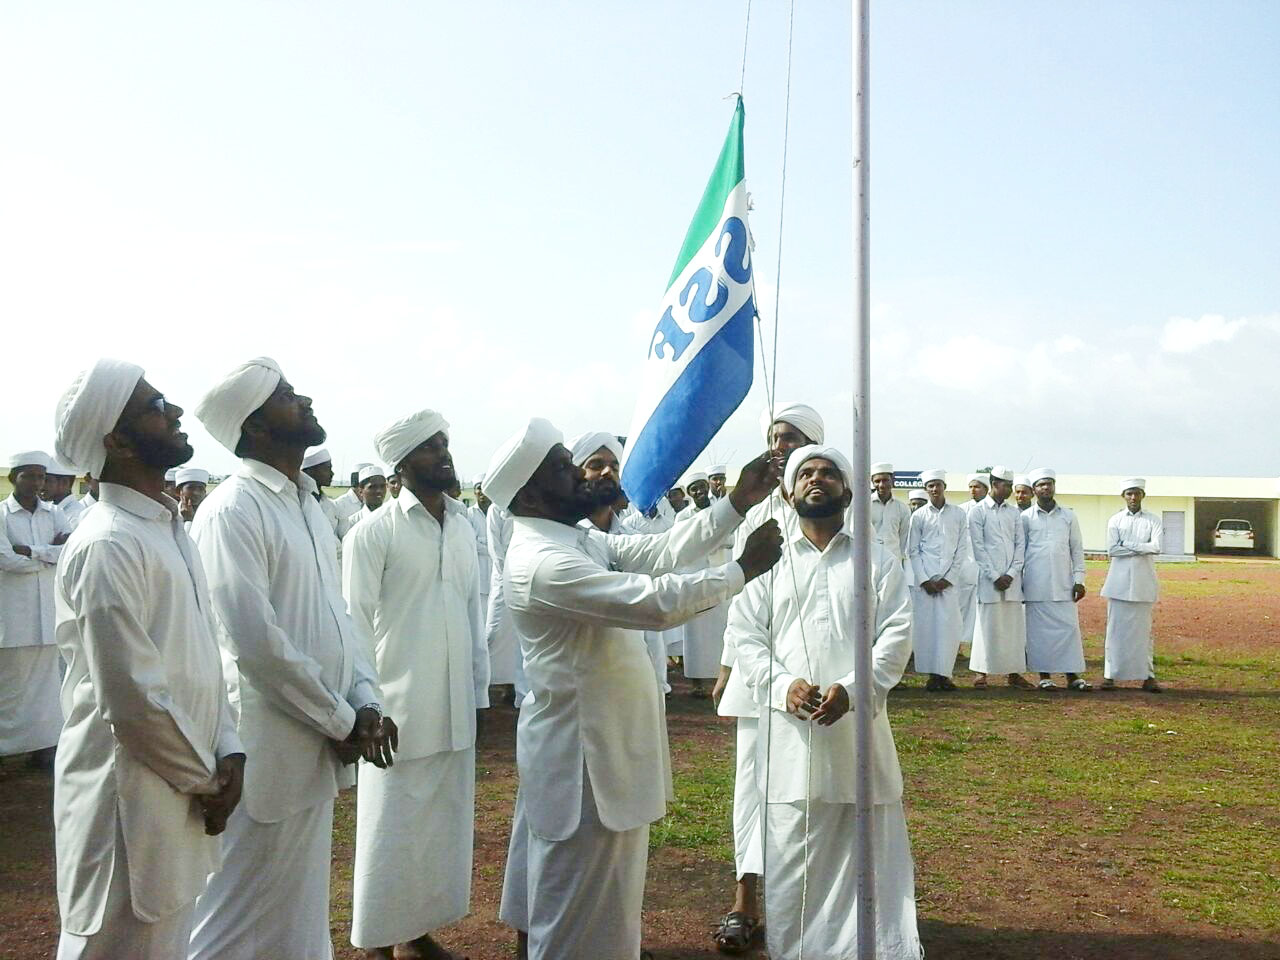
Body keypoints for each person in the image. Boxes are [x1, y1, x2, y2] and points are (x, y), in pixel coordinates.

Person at [488, 418, 782, 960]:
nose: (581, 474)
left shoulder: (575, 539)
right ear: (529, 495)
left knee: (604, 914)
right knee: (574, 919)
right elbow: (650, 603)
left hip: (604, 755)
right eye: (563, 468)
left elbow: (658, 552)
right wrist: (741, 570)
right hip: (584, 767)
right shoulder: (543, 562)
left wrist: (737, 502)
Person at [187, 357, 395, 960]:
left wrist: (365, 700)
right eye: (284, 395)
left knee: (296, 914)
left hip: (319, 740)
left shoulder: (305, 503)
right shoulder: (233, 509)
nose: (302, 399)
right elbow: (255, 644)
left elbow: (339, 618)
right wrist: (342, 719)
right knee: (232, 922)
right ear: (254, 426)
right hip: (269, 746)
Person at [50, 359, 245, 960]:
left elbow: (204, 656)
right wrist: (207, 778)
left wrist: (229, 746)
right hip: (128, 798)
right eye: (156, 408)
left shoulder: (166, 528)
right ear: (117, 441)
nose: (176, 412)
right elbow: (132, 702)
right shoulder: (108, 542)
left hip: (185, 780)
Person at [731, 445, 921, 960]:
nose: (817, 479)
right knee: (791, 849)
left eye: (829, 473)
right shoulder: (767, 560)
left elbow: (896, 634)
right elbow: (746, 635)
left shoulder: (876, 560)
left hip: (857, 729)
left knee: (865, 845)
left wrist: (854, 690)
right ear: (790, 492)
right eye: (806, 474)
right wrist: (781, 685)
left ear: (848, 490)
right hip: (787, 733)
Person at [343, 409, 486, 959]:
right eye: (429, 447)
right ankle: (377, 943)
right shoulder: (373, 532)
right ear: (400, 465)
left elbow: (471, 613)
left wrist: (477, 693)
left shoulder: (463, 526)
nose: (443, 454)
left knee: (438, 829)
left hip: (453, 705)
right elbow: (354, 623)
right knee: (391, 827)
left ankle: (415, 934)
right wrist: (366, 705)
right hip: (395, 708)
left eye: (444, 443)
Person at [710, 400, 823, 955]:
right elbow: (741, 595)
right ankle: (745, 900)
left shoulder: (840, 512)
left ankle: (813, 902)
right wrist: (729, 663)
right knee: (753, 787)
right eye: (775, 438)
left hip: (821, 675)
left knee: (817, 789)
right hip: (759, 672)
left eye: (792, 438)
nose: (781, 446)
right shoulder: (755, 512)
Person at [1, 450, 70, 768]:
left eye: (41, 476)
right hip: (14, 615)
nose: (37, 482)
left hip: (48, 615)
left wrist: (31, 551)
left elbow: (68, 549)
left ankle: (43, 746)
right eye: (29, 475)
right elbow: (6, 560)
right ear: (14, 478)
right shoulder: (2, 515)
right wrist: (47, 556)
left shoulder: (54, 514)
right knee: (9, 687)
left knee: (47, 690)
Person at [1021, 468, 1091, 691]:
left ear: (1054, 487)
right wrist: (1019, 583)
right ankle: (1044, 677)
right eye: (1041, 485)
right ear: (1034, 490)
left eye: (1049, 484)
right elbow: (1019, 552)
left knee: (1068, 630)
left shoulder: (1068, 516)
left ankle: (1072, 676)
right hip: (1035, 584)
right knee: (1038, 633)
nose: (1046, 488)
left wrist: (1079, 579)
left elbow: (1077, 549)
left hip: (1063, 584)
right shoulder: (1025, 518)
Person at [907, 469, 972, 692]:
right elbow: (913, 550)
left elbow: (961, 549)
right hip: (925, 584)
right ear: (926, 489)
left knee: (949, 628)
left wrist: (949, 578)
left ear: (945, 486)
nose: (934, 489)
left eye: (938, 485)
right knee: (926, 629)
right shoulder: (919, 516)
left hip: (948, 584)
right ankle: (932, 677)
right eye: (930, 486)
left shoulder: (958, 514)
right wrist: (925, 580)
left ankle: (945, 674)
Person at [968, 466, 1030, 689]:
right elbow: (978, 548)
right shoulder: (978, 512)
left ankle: (1014, 673)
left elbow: (1020, 545)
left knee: (1013, 627)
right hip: (989, 580)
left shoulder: (1014, 513)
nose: (1010, 490)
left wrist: (1011, 573)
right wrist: (995, 576)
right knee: (986, 626)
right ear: (994, 484)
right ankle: (981, 673)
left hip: (1012, 580)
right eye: (1007, 485)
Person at [1100, 479, 1163, 692]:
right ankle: (1110, 676)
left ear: (1143, 495)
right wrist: (1141, 548)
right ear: (1123, 496)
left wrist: (1126, 544)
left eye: (1136, 493)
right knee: (1114, 631)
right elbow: (1112, 550)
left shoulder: (1153, 520)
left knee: (1144, 633)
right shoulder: (1115, 520)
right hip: (1118, 584)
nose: (1133, 497)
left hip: (1143, 583)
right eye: (1129, 493)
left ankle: (1148, 676)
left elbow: (1156, 547)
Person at [675, 471, 730, 697]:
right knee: (695, 632)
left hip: (719, 573)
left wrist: (717, 540)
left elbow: (731, 536)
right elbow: (681, 543)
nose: (698, 491)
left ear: (707, 486)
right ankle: (697, 683)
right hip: (694, 576)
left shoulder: (722, 508)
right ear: (689, 493)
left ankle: (720, 679)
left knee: (721, 631)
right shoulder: (683, 517)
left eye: (701, 486)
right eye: (693, 489)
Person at [956, 472, 988, 657]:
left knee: (980, 610)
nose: (973, 490)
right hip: (964, 568)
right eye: (971, 487)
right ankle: (958, 645)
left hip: (985, 569)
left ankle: (977, 647)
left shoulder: (991, 510)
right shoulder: (961, 510)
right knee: (960, 607)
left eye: (977, 487)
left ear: (986, 489)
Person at [870, 461, 910, 566]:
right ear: (872, 483)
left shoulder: (902, 508)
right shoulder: (864, 506)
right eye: (877, 481)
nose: (881, 485)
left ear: (892, 480)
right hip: (870, 561)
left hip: (894, 561)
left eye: (885, 480)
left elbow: (904, 539)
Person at [301, 446, 343, 539]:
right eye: (327, 469)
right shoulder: (298, 501)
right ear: (310, 471)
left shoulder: (331, 505)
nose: (332, 473)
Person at [468, 474, 491, 633]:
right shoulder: (469, 514)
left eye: (485, 488)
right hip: (479, 576)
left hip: (497, 573)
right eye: (478, 488)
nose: (482, 492)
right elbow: (471, 543)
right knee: (480, 621)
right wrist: (492, 549)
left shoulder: (499, 513)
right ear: (474, 492)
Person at [345, 464, 388, 530]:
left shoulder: (392, 517)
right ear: (360, 491)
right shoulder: (352, 522)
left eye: (382, 486)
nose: (379, 490)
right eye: (372, 487)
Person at [43, 458, 86, 526]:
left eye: (46, 480)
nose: (40, 485)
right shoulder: (49, 509)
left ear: (64, 483)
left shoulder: (77, 515)